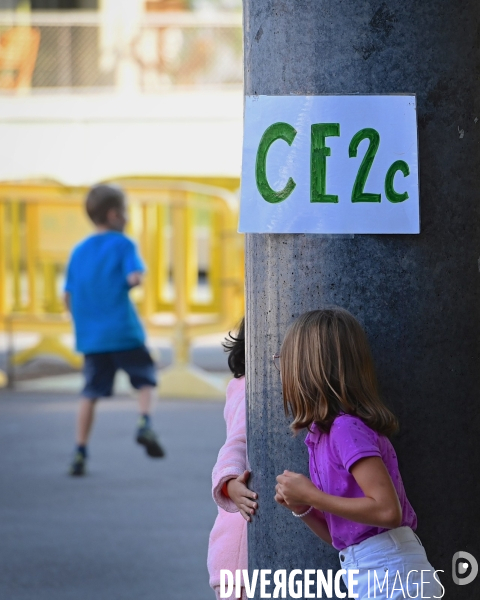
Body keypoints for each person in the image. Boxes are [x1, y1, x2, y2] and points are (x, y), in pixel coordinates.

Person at [274, 308, 443, 599]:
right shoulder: (321, 436)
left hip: (391, 570)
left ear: (307, 368)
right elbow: (340, 534)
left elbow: (388, 511)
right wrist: (300, 506)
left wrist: (312, 496)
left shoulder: (345, 429)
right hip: (368, 568)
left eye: (283, 360)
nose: (280, 369)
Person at [64, 183, 165, 476]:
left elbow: (67, 296)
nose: (128, 217)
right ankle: (144, 422)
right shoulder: (123, 244)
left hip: (92, 338)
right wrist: (133, 280)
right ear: (113, 215)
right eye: (126, 212)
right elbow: (134, 276)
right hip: (123, 332)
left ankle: (80, 451)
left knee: (90, 392)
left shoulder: (79, 251)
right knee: (146, 378)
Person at [207, 319, 257, 600]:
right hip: (240, 552)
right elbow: (236, 441)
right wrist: (229, 482)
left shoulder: (241, 385)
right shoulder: (249, 387)